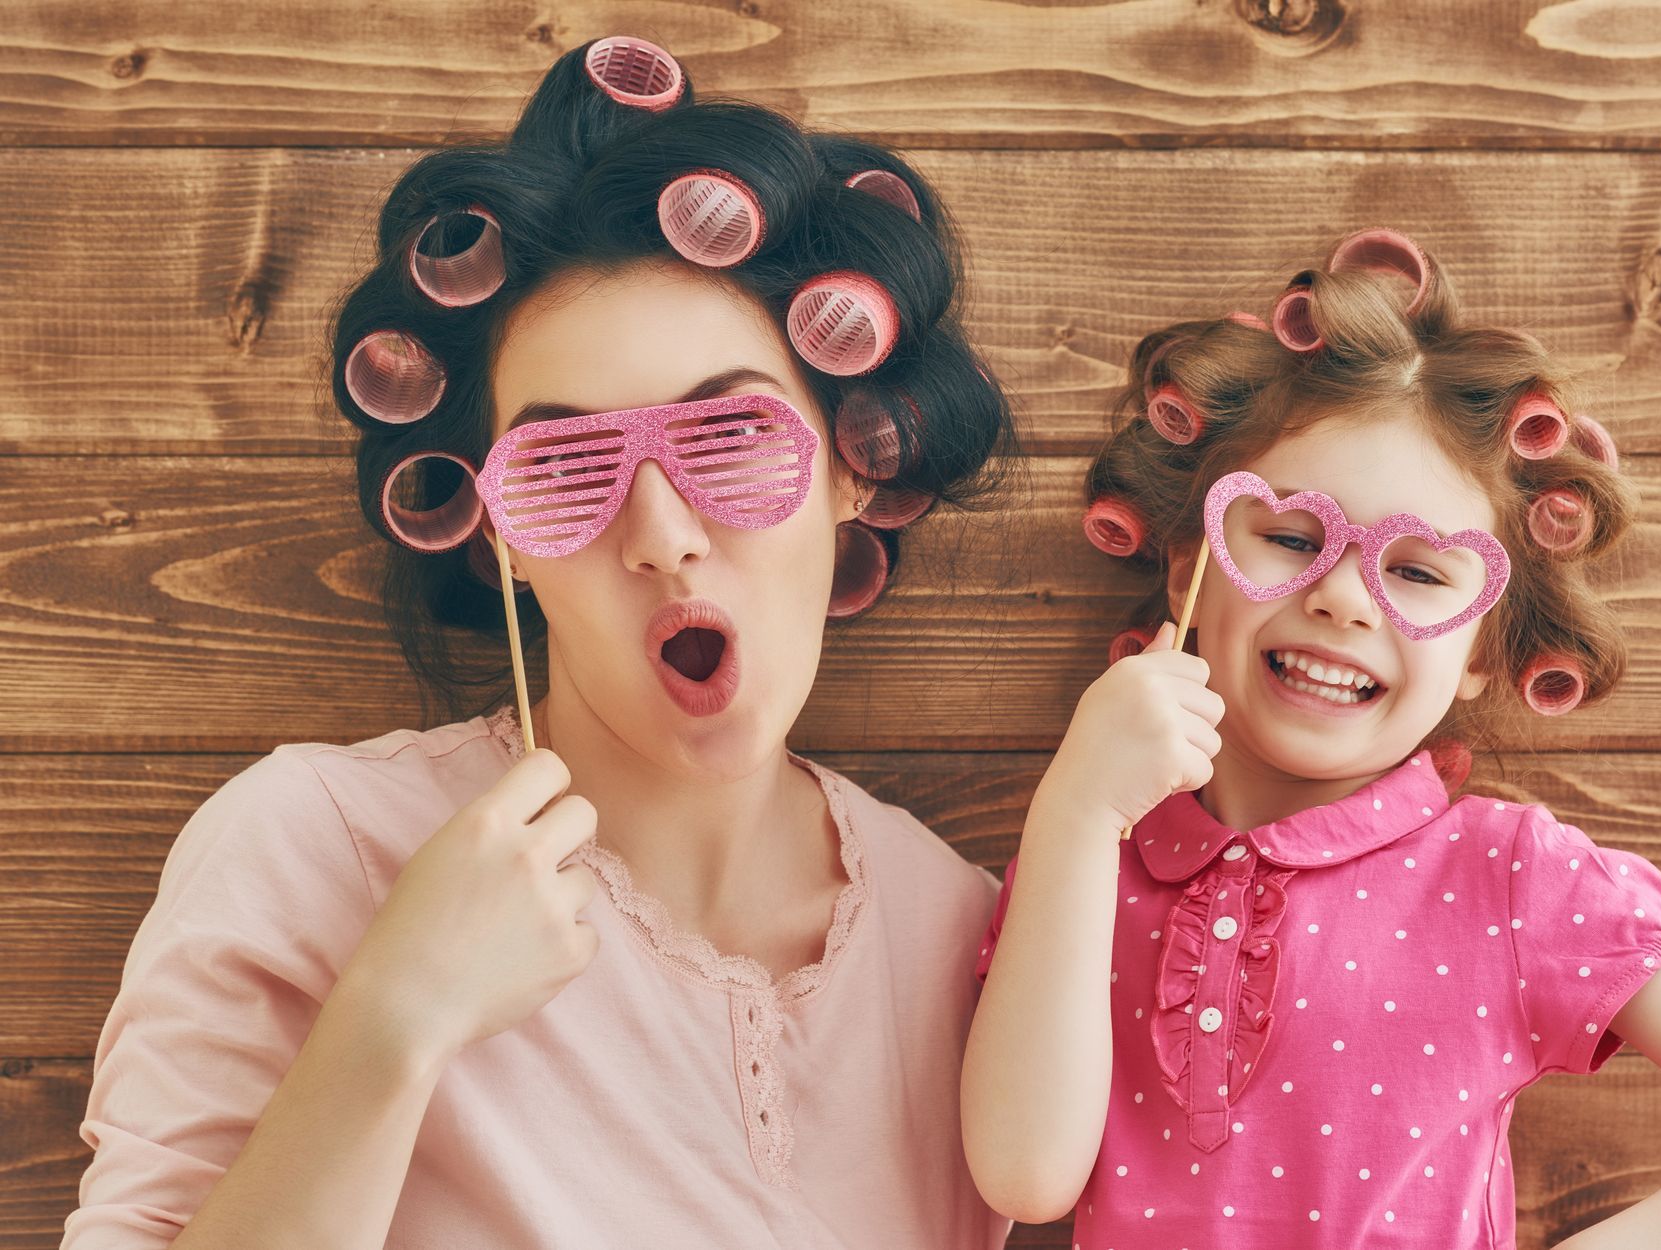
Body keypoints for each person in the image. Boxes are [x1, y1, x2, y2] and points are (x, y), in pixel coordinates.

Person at [65, 34, 1016, 1250]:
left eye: (728, 438)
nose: (663, 536)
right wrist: (391, 1021)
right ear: (495, 533)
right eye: (568, 468)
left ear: (850, 463)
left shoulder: (963, 934)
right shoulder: (313, 847)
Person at [960, 229, 1661, 1247]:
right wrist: (1075, 811)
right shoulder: (1085, 864)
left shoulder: (1507, 875)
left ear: (1486, 651)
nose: (1340, 598)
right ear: (1192, 560)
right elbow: (1024, 1174)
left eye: (1416, 572)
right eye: (1287, 534)